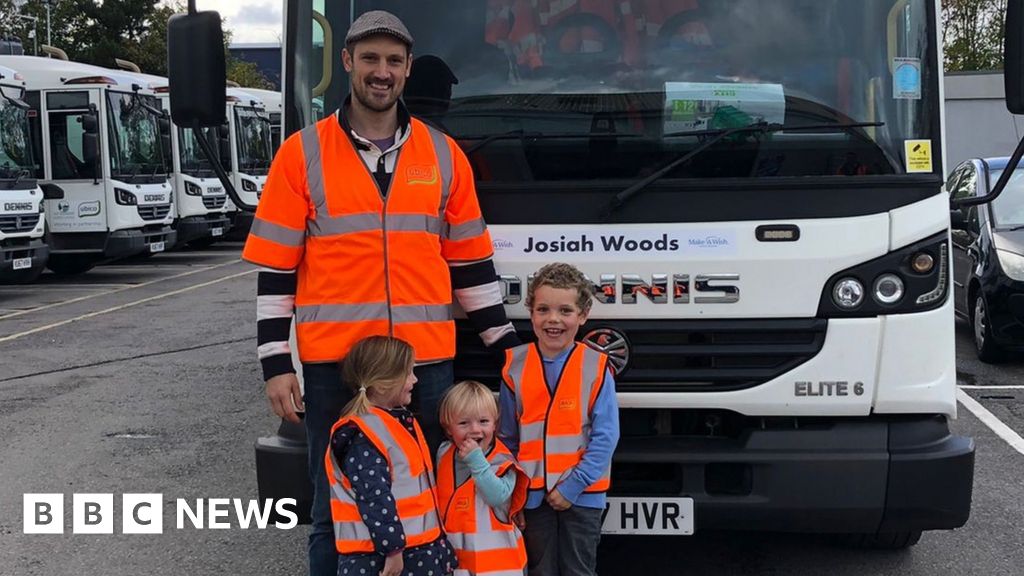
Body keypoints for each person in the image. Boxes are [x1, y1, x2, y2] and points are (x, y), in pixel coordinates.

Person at [241, 10, 519, 576]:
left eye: (393, 61)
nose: (381, 72)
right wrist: (275, 364)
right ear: (346, 63)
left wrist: (509, 349)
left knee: (433, 499)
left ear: (408, 69)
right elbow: (276, 270)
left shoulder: (444, 157)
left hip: (424, 365)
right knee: (331, 507)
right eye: (369, 58)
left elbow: (470, 265)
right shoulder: (302, 154)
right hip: (336, 368)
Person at [498, 263, 620, 576]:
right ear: (530, 312)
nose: (553, 319)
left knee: (578, 570)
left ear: (583, 315)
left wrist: (573, 486)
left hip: (582, 495)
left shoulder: (596, 367)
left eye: (565, 310)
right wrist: (514, 493)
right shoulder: (515, 366)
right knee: (539, 570)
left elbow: (606, 436)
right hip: (532, 498)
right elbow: (507, 439)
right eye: (543, 309)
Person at [326, 336, 456, 576]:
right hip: (384, 559)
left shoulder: (395, 422)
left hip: (415, 551)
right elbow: (375, 497)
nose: (415, 380)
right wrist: (393, 550)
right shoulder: (364, 435)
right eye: (408, 373)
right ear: (385, 383)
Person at [436, 381, 529, 576]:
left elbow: (497, 496)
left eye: (483, 422)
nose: (475, 430)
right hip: (456, 564)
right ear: (448, 428)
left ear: (495, 423)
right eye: (463, 423)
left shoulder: (503, 461)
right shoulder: (444, 453)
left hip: (499, 568)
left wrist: (476, 460)